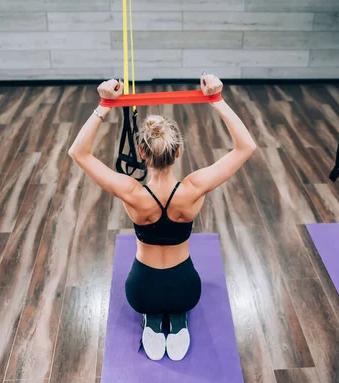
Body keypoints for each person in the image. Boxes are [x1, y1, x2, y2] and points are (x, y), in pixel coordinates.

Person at [68, 73, 256, 361]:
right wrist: (216, 99)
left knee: (150, 303)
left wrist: (104, 105)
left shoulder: (132, 193)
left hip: (142, 292)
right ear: (178, 152)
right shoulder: (194, 188)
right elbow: (246, 147)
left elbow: (78, 152)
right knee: (178, 302)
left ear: (141, 152)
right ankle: (177, 318)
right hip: (186, 290)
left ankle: (152, 319)